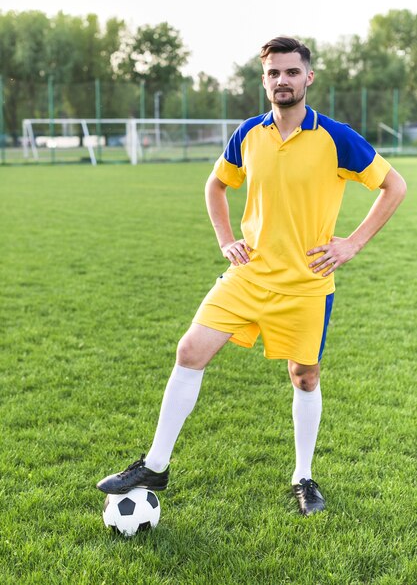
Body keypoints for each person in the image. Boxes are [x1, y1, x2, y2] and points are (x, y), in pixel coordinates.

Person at [97, 36, 406, 516]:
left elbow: (394, 185)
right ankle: (156, 464)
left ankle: (303, 477)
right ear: (264, 81)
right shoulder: (249, 133)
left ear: (309, 77)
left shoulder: (337, 137)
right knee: (190, 350)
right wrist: (225, 238)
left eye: (291, 72)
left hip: (306, 282)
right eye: (273, 73)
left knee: (304, 377)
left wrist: (352, 243)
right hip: (248, 273)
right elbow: (216, 184)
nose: (282, 80)